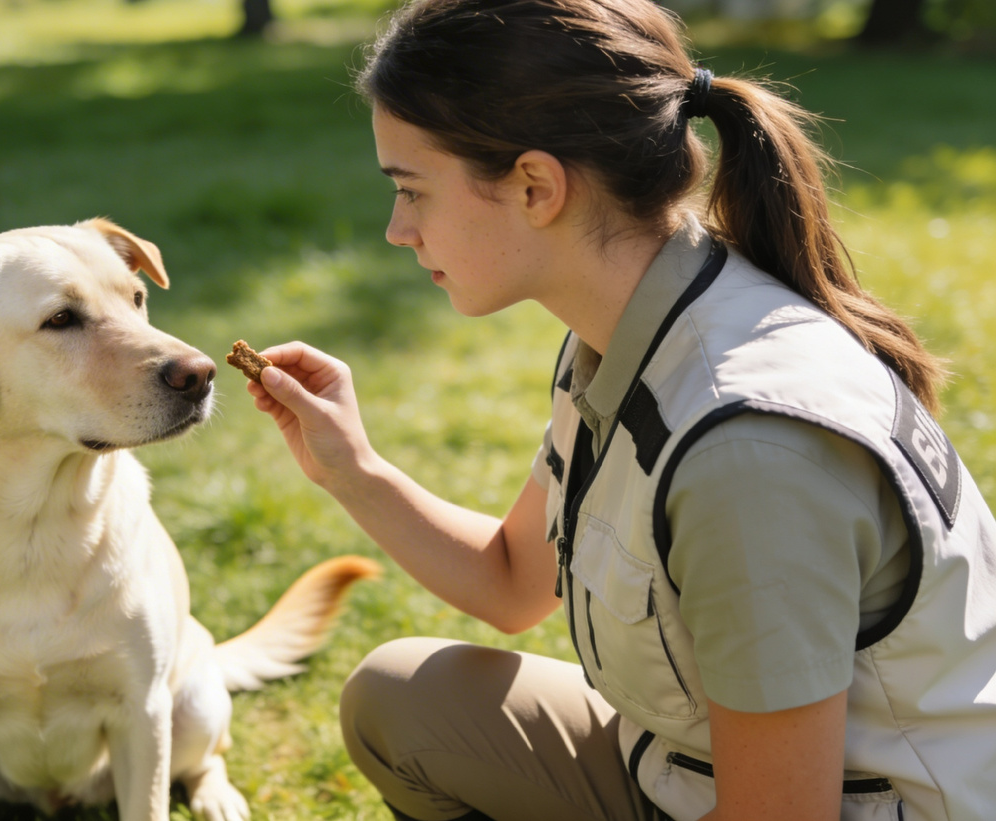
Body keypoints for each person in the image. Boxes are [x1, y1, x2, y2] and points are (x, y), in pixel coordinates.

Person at [241, 0, 996, 818]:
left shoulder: (748, 451)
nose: (397, 229)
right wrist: (352, 468)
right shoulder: (632, 327)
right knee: (403, 701)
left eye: (413, 191)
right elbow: (511, 581)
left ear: (536, 186)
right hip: (694, 773)